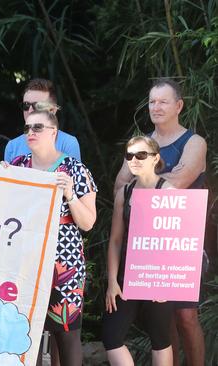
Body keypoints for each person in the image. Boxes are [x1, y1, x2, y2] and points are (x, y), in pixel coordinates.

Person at [113, 78, 206, 366]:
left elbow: (179, 182)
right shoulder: (142, 142)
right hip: (148, 243)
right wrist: (149, 182)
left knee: (186, 316)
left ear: (179, 106)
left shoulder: (193, 142)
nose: (157, 106)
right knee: (161, 319)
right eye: (152, 101)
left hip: (183, 242)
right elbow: (119, 185)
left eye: (163, 101)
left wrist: (141, 180)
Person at [9, 106, 97, 366]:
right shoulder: (18, 166)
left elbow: (89, 222)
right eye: (27, 128)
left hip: (64, 265)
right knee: (27, 336)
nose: (30, 132)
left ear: (54, 132)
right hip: (25, 263)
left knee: (66, 336)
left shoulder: (75, 169)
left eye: (37, 127)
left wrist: (70, 194)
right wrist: (1, 179)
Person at [103, 136, 174, 365]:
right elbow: (115, 240)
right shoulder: (125, 192)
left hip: (158, 276)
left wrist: (165, 281)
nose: (133, 159)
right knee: (111, 336)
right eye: (129, 155)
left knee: (160, 338)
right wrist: (112, 281)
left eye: (141, 155)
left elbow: (180, 242)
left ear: (155, 159)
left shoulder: (168, 192)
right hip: (127, 275)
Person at [4, 78, 81, 162]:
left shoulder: (68, 143)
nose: (30, 111)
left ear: (52, 110)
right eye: (26, 105)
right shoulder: (12, 146)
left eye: (38, 106)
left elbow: (75, 173)